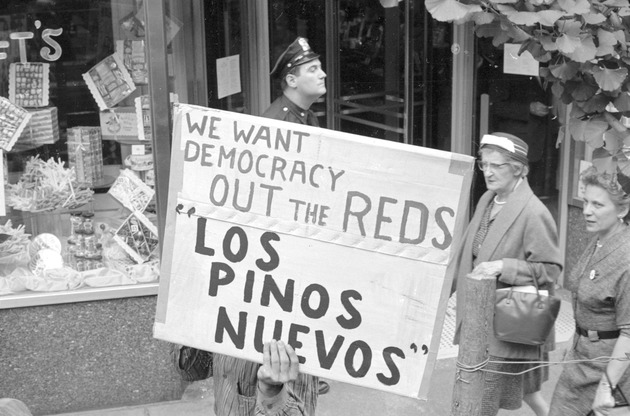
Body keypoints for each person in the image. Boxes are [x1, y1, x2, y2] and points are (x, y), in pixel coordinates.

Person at [212, 37, 327, 416]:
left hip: (286, 260)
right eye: (313, 69)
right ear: (291, 80)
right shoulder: (275, 125)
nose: (323, 73)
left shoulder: (301, 118)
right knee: (256, 372)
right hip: (268, 267)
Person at [450, 132, 563, 416]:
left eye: (496, 165)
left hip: (506, 322)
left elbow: (551, 270)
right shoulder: (488, 199)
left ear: (518, 168)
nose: (487, 172)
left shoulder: (534, 212)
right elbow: (469, 253)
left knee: (481, 400)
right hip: (481, 317)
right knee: (525, 392)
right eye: (483, 164)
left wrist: (504, 266)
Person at [549, 167, 630, 416]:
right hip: (581, 362)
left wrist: (607, 386)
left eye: (597, 205)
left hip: (613, 373)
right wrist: (575, 343)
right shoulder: (599, 239)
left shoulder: (626, 258)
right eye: (585, 202)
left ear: (622, 210)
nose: (586, 211)